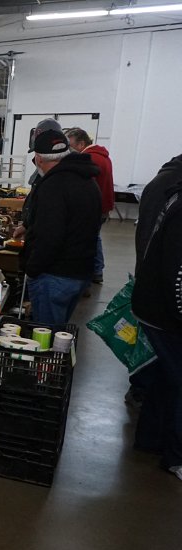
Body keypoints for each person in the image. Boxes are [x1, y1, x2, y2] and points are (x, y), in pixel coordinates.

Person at [132, 156, 182, 479]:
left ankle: (149, 440)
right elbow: (177, 274)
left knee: (166, 376)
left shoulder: (169, 188)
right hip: (164, 311)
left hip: (154, 304)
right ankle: (176, 457)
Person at [20, 130, 102, 325]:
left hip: (54, 275)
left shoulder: (53, 185)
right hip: (80, 272)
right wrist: (30, 225)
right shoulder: (87, 180)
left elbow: (50, 236)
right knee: (57, 334)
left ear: (39, 159)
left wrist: (32, 269)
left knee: (45, 335)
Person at [67, 127, 114, 284]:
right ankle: (97, 270)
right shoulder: (103, 156)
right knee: (95, 237)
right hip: (103, 205)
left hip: (93, 208)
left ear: (81, 144)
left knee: (90, 239)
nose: (69, 149)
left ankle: (95, 271)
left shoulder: (89, 158)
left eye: (70, 145)